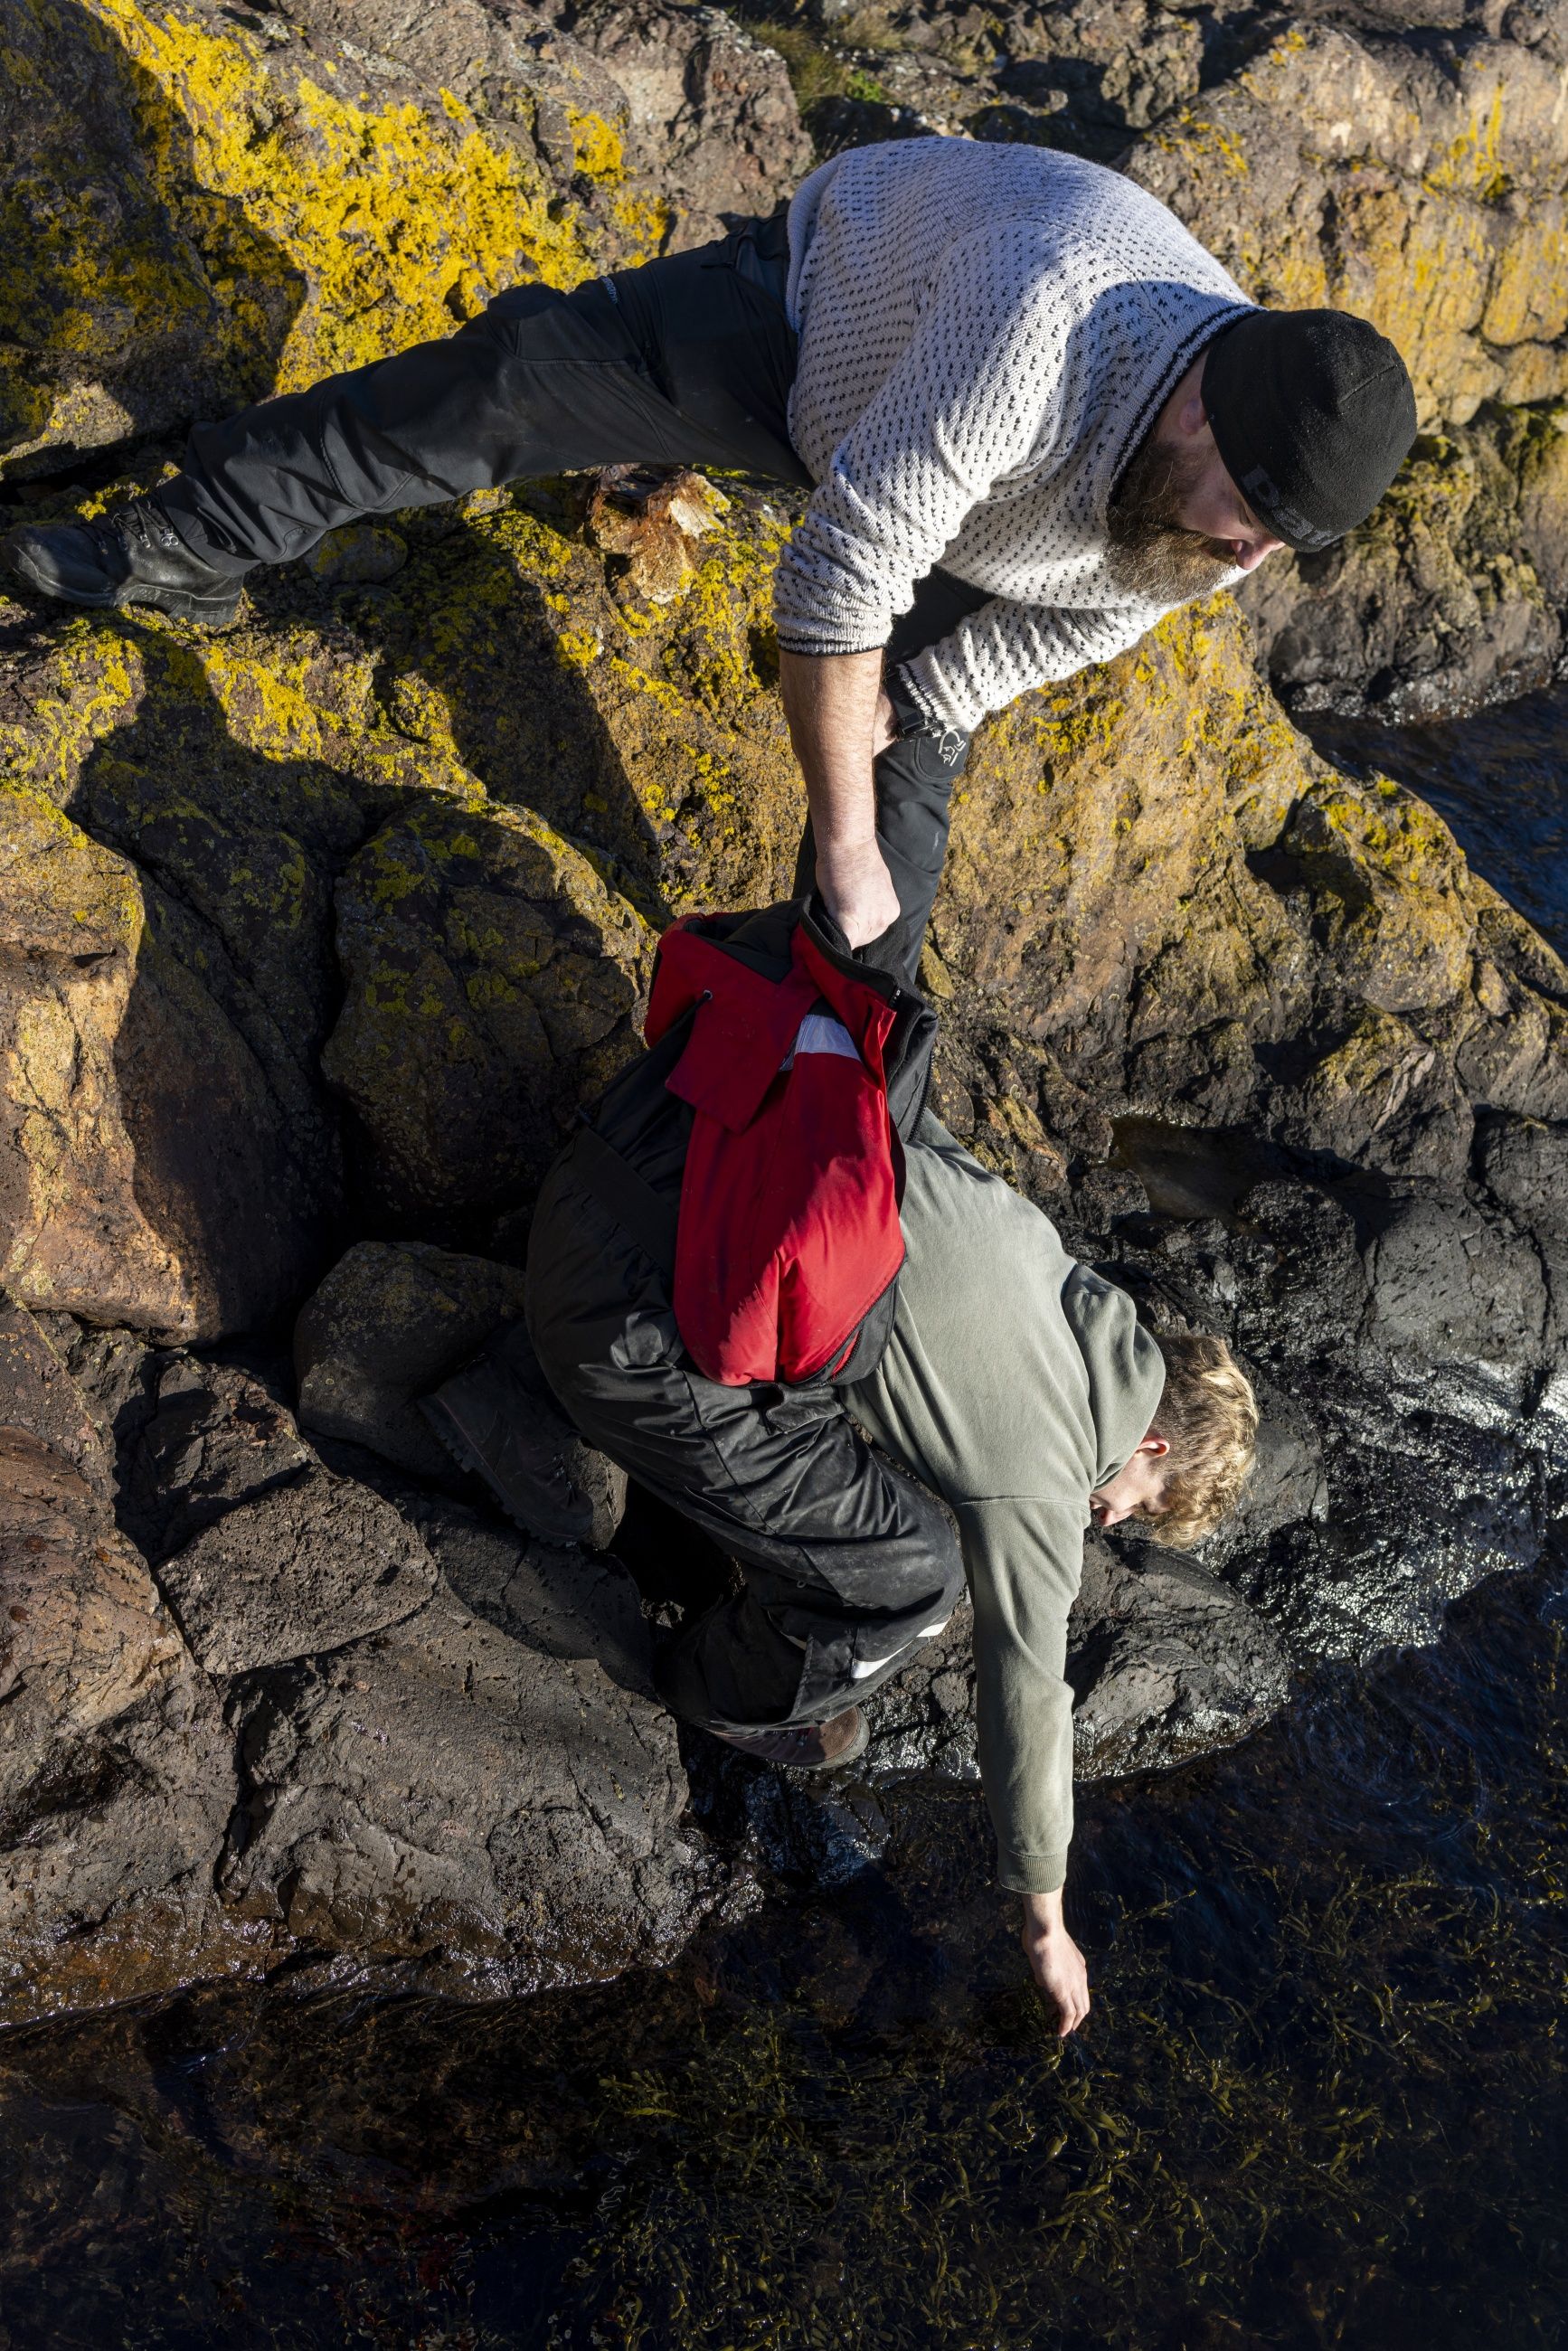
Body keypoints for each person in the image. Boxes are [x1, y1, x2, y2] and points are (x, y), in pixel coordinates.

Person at [420, 604, 1259, 2040]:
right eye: (1131, 1508)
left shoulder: (1045, 1255)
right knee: (905, 1575)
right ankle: (707, 1687)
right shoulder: (1045, 1469)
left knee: (877, 973)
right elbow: (1026, 1696)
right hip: (604, 1319)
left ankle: (911, 698)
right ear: (1155, 1441)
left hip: (649, 1141)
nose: (1103, 1526)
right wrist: (1043, 1920)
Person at [5, 137, 1417, 950]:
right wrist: (838, 794)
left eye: (1275, 549)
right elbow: (837, 574)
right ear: (1194, 409)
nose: (1247, 563)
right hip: (811, 326)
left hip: (971, 499)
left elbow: (1082, 619)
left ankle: (838, 1096)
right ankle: (157, 544)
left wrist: (903, 734)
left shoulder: (1225, 519)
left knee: (893, 834)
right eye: (1245, 522)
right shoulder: (1039, 323)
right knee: (483, 398)